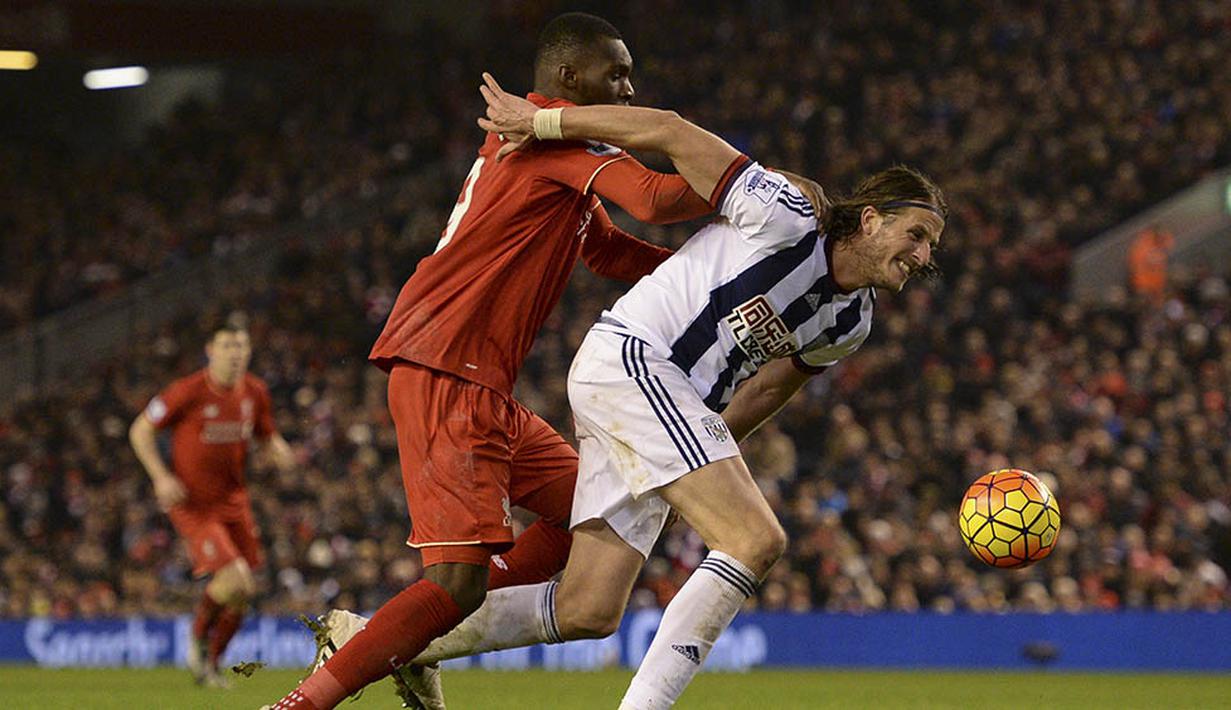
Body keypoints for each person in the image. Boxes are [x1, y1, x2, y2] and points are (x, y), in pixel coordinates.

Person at [336, 74, 946, 709]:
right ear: (871, 219)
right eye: (917, 235)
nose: (924, 255)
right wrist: (543, 124)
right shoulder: (786, 214)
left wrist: (702, 469)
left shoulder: (852, 322)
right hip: (638, 363)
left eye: (932, 246)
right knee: (756, 539)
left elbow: (770, 388)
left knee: (588, 608)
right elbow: (671, 133)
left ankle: (391, 642)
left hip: (671, 406)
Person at [267, 13, 730, 710]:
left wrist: (710, 290)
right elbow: (657, 198)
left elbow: (606, 249)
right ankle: (304, 704)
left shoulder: (552, 146)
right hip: (446, 367)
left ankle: (391, 636)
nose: (629, 89)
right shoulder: (550, 141)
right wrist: (746, 184)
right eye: (616, 74)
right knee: (455, 582)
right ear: (569, 77)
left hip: (476, 380)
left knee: (588, 520)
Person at [129, 320, 295, 687]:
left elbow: (268, 437)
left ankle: (210, 665)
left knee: (244, 592)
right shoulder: (187, 391)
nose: (235, 354)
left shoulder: (255, 392)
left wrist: (280, 451)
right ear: (210, 350)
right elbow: (140, 429)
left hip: (235, 502)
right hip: (194, 505)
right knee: (235, 579)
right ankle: (196, 638)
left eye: (241, 346)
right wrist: (160, 476)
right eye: (227, 346)